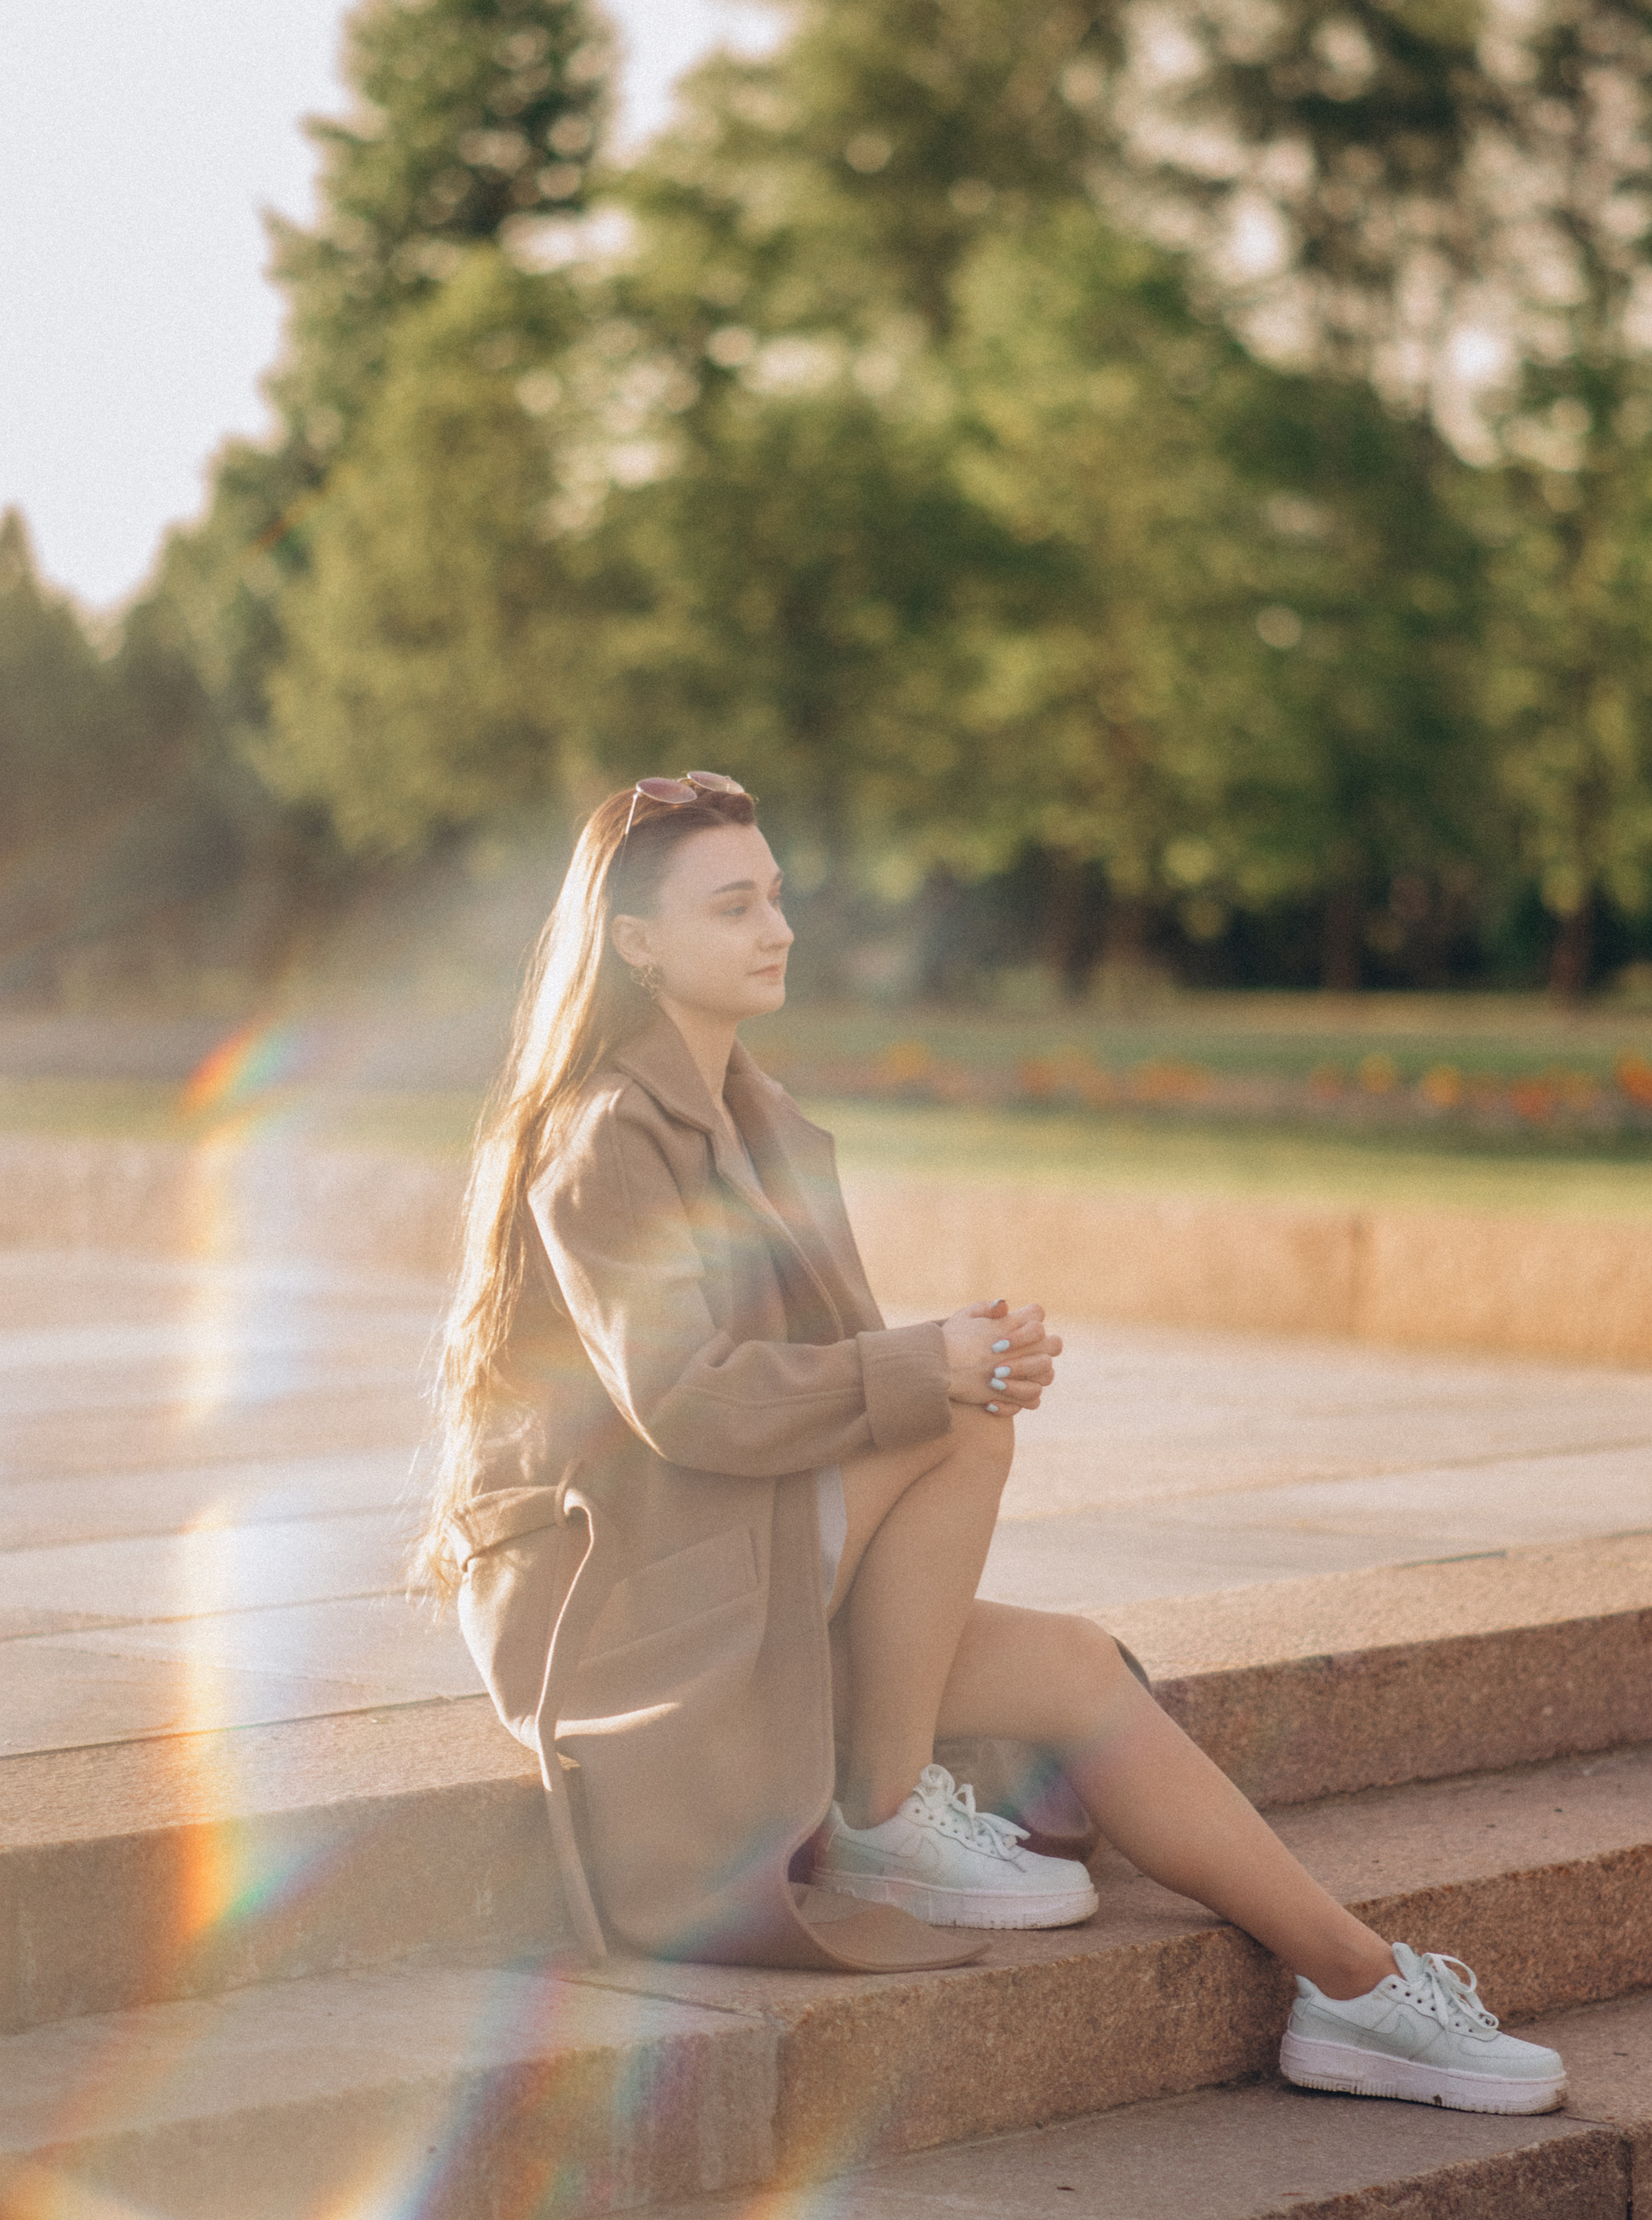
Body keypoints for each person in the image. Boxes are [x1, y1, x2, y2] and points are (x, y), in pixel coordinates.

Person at [424, 774, 1565, 2117]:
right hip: (619, 1614)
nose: (777, 926)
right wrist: (937, 1363)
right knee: (956, 1403)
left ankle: (1361, 1989)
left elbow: (818, 1391)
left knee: (1078, 1662)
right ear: (637, 943)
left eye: (777, 895)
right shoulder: (603, 1132)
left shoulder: (763, 1118)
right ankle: (885, 1813)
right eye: (734, 905)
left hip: (733, 1557)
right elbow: (687, 1401)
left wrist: (948, 1354)